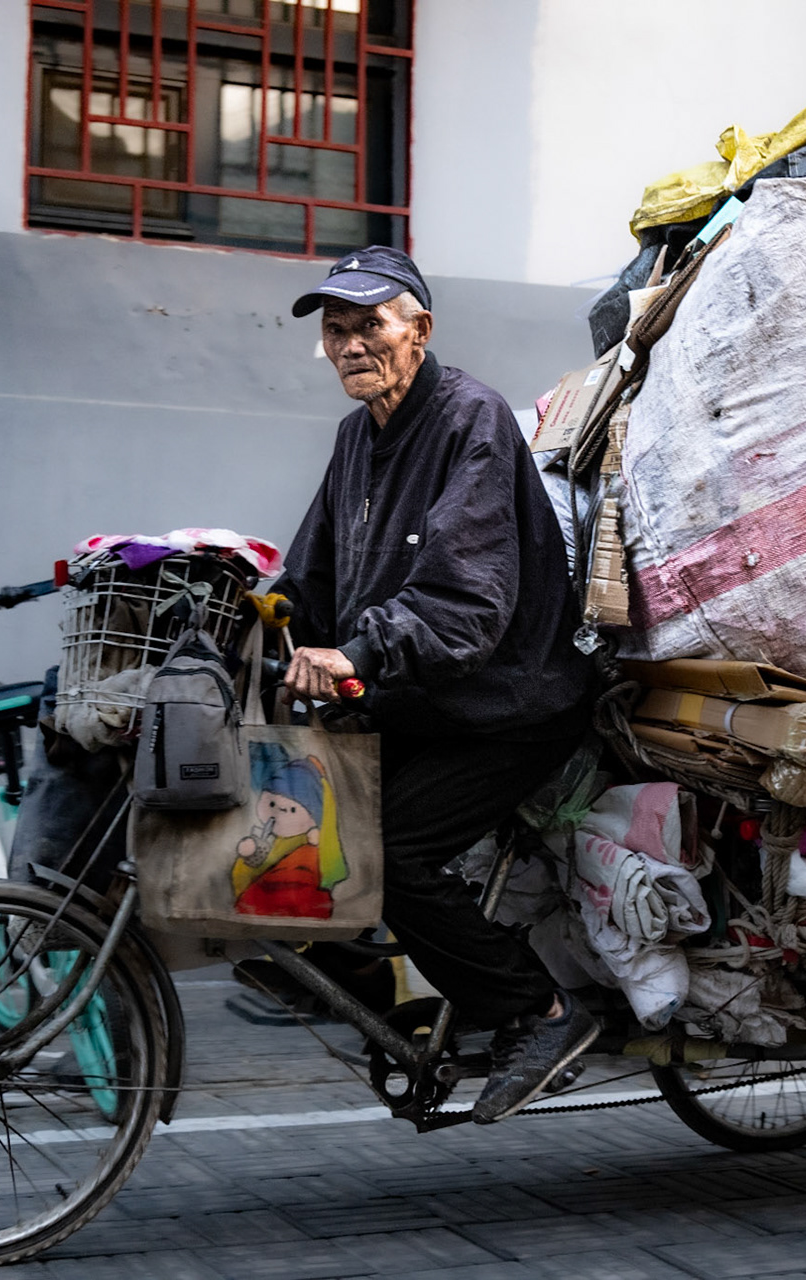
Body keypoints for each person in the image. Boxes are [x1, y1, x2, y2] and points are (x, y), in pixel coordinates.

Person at [272, 245, 598, 1124]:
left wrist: (358, 654)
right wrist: (246, 618)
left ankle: (541, 1012)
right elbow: (309, 578)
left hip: (509, 703)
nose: (349, 346)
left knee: (389, 850)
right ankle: (374, 998)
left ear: (419, 330)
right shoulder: (356, 438)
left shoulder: (471, 421)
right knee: (288, 817)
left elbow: (466, 603)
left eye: (368, 325)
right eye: (335, 332)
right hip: (419, 696)